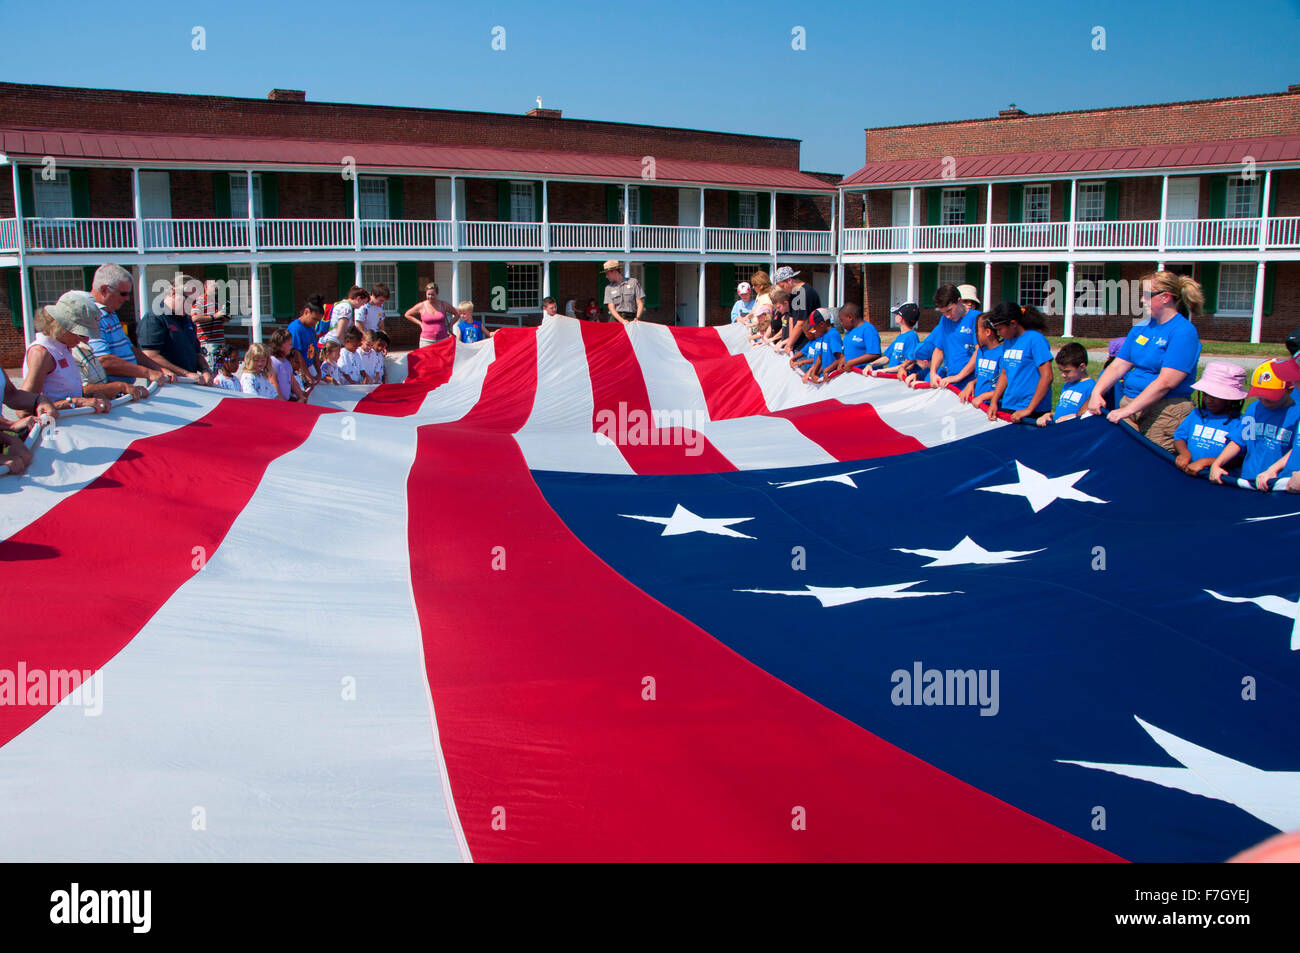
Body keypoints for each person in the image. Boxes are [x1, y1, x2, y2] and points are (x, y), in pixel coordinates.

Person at [1086, 270, 1203, 451]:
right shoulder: (1142, 328)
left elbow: (1166, 382)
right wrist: (1096, 392)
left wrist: (1127, 411)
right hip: (1130, 404)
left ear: (1165, 298)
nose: (1142, 300)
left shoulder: (1183, 331)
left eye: (1147, 295)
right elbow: (1118, 365)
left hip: (1165, 412)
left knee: (1154, 466)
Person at [20, 295, 142, 414]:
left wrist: (95, 395)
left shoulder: (63, 346)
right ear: (62, 327)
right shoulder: (41, 353)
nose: (87, 340)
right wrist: (76, 402)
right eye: (82, 334)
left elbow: (69, 392)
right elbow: (24, 409)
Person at [1209, 360, 1298, 491]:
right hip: (1249, 479)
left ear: (1289, 389)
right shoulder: (1255, 408)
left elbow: (1297, 450)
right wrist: (1217, 464)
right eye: (1260, 395)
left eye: (1271, 396)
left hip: (1278, 483)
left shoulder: (1296, 414)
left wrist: (1273, 470)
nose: (1263, 400)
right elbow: (1239, 441)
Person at [87, 263, 173, 385]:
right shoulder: (90, 315)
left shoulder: (110, 312)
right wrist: (147, 373)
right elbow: (102, 360)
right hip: (108, 394)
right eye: (123, 293)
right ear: (104, 290)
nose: (127, 298)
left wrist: (158, 369)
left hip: (124, 389)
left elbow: (131, 349)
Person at [1172, 361, 1247, 477]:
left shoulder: (1239, 422)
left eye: (1214, 396)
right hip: (1189, 472)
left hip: (1218, 479)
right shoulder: (1196, 414)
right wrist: (1184, 453)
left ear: (1230, 399)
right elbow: (1179, 438)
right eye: (1205, 394)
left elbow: (1238, 458)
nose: (1208, 400)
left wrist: (1206, 462)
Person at [138, 275, 214, 385]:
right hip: (167, 387)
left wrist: (205, 370)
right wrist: (185, 373)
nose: (192, 306)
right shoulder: (155, 318)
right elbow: (149, 355)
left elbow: (197, 353)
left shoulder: (187, 320)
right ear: (173, 293)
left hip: (191, 384)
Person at [986, 302, 1053, 423]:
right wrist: (994, 401)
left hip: (1033, 409)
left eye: (1000, 329)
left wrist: (1029, 409)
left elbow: (1047, 377)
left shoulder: (1035, 339)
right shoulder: (1008, 341)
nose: (999, 333)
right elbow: (1004, 373)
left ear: (1013, 323)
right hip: (1010, 405)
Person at [921, 284, 980, 391]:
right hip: (951, 382)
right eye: (943, 312)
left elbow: (979, 352)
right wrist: (933, 373)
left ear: (959, 301)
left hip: (971, 384)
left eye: (949, 310)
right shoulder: (944, 320)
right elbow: (939, 349)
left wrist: (959, 376)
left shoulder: (976, 318)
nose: (947, 316)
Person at [1037, 342, 1095, 426]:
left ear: (1082, 367)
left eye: (1067, 371)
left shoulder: (1092, 387)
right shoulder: (1067, 385)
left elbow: (1090, 414)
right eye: (1061, 371)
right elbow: (1063, 411)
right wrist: (1049, 415)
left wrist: (1073, 417)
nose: (1063, 375)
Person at [958, 315, 1005, 407]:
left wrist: (984, 396)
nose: (976, 335)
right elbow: (983, 377)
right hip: (978, 405)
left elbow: (1005, 386)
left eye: (977, 331)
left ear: (988, 332)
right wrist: (972, 383)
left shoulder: (1002, 353)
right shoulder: (980, 351)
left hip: (994, 407)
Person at [773, 267, 821, 355]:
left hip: (808, 339)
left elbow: (801, 322)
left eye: (783, 286)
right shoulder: (793, 294)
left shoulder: (805, 293)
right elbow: (791, 318)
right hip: (797, 341)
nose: (783, 290)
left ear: (790, 280)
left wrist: (790, 343)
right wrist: (791, 341)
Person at [191, 278, 229, 368]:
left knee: (220, 369)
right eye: (213, 286)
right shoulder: (200, 301)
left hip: (219, 342)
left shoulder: (217, 302)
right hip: (208, 343)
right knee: (210, 367)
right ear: (206, 287)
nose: (216, 288)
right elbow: (195, 318)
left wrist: (224, 317)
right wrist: (214, 316)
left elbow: (220, 320)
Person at [872, 303, 921, 373]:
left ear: (901, 318)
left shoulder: (912, 337)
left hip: (899, 380)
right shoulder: (900, 337)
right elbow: (887, 357)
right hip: (892, 378)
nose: (895, 316)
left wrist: (884, 371)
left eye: (897, 314)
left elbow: (909, 364)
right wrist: (871, 364)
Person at [837, 303, 882, 372]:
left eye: (842, 320)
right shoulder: (849, 332)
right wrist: (843, 360)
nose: (841, 323)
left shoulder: (868, 329)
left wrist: (852, 362)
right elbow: (847, 351)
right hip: (852, 375)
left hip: (866, 374)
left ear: (850, 317)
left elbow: (874, 354)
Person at [287, 299, 325, 377]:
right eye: (314, 319)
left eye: (318, 320)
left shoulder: (311, 328)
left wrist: (318, 372)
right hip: (299, 371)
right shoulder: (295, 328)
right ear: (306, 312)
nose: (315, 323)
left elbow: (315, 351)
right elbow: (297, 354)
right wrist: (307, 375)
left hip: (310, 368)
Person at [803, 310, 844, 383]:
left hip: (833, 378)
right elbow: (820, 356)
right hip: (824, 377)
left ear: (822, 324)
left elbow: (841, 358)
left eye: (814, 328)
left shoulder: (833, 335)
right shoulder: (824, 335)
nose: (814, 331)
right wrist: (814, 373)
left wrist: (827, 370)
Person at [267, 328, 306, 400]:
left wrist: (301, 396)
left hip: (286, 400)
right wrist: (281, 400)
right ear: (280, 345)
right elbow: (273, 382)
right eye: (290, 344)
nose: (291, 347)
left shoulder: (287, 363)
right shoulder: (272, 362)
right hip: (277, 402)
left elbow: (293, 382)